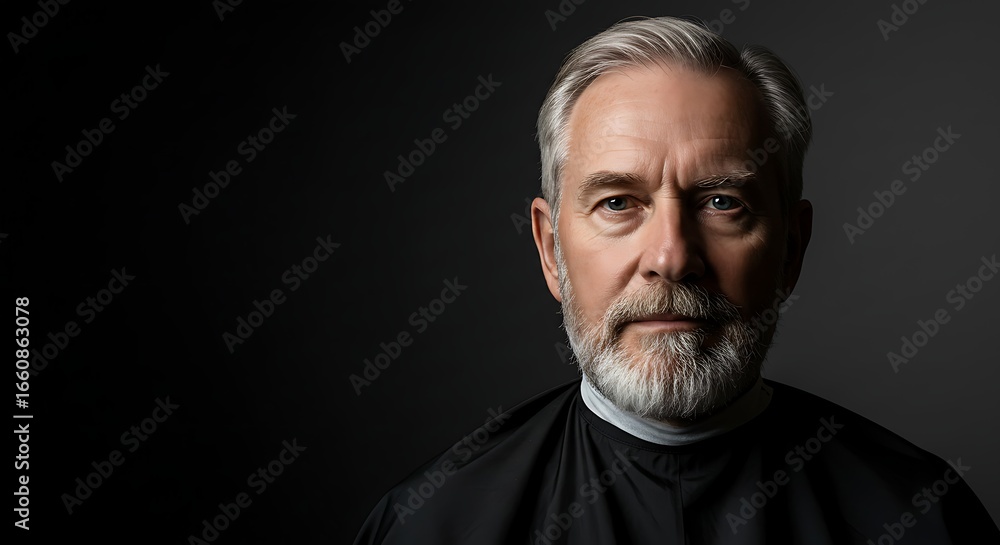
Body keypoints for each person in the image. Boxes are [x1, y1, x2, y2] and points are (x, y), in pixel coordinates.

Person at [354, 16, 998, 544]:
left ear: (792, 249)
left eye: (722, 203)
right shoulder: (430, 528)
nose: (670, 256)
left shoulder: (922, 518)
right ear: (552, 250)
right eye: (617, 203)